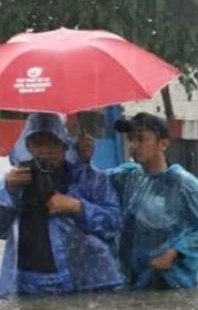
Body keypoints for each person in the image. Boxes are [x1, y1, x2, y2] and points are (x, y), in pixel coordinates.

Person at [78, 112, 198, 290]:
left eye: (141, 139)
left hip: (169, 282)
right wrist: (85, 159)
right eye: (130, 139)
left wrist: (174, 253)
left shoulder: (183, 184)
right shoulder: (127, 177)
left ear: (163, 144)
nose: (133, 145)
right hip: (130, 282)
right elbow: (92, 187)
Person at [0, 112, 123, 298]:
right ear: (28, 146)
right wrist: (8, 191)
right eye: (38, 142)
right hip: (26, 285)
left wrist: (77, 207)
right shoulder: (15, 181)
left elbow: (114, 224)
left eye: (52, 142)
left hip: (86, 283)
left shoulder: (89, 179)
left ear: (64, 146)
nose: (45, 149)